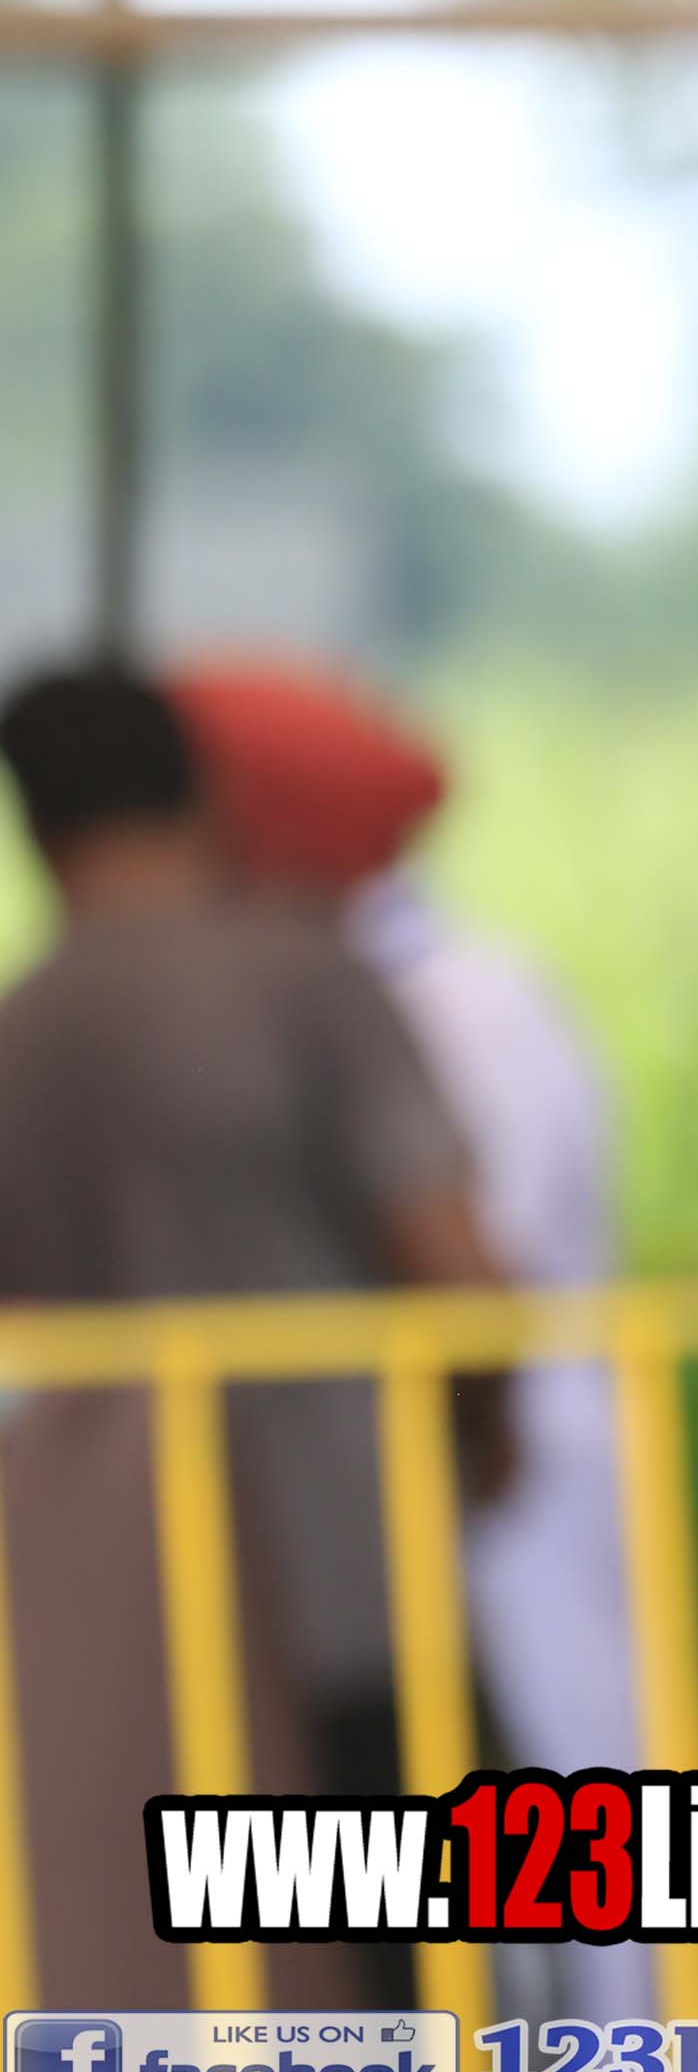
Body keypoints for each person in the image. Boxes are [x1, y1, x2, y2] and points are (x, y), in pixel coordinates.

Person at [177, 657, 695, 2072]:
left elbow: (458, 1308)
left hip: (481, 1652)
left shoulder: (417, 1012)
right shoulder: (419, 997)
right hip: (450, 1645)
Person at [0, 665, 507, 1799]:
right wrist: (489, 1435)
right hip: (355, 1580)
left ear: (33, 824)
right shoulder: (308, 981)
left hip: (126, 1623)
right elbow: (459, 1274)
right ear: (201, 792)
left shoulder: (17, 1035)